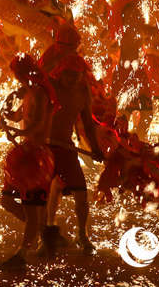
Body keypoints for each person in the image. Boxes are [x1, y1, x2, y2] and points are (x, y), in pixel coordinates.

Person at [39, 23, 105, 257]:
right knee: (46, 193)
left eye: (76, 75)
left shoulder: (82, 90)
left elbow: (88, 122)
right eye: (69, 74)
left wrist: (95, 147)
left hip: (66, 147)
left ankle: (82, 235)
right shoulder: (48, 85)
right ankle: (46, 233)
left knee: (80, 192)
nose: (72, 79)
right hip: (45, 147)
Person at [0, 54, 55, 269]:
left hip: (37, 159)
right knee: (7, 201)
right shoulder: (29, 93)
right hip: (23, 155)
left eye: (18, 75)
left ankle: (22, 255)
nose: (18, 79)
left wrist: (12, 130)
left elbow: (38, 126)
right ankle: (44, 232)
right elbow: (15, 117)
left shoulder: (40, 94)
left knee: (32, 210)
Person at [113, 0, 154, 141]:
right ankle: (126, 143)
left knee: (144, 113)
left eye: (138, 14)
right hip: (128, 75)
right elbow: (154, 31)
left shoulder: (133, 31)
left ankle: (136, 142)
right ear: (128, 18)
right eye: (135, 14)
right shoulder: (130, 32)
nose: (138, 16)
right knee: (127, 113)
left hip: (135, 74)